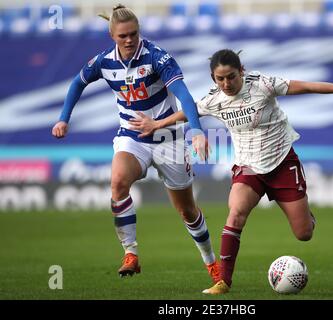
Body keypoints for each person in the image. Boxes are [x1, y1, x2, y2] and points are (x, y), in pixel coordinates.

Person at [128, 49, 333, 294]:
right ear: (213, 79)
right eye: (220, 78)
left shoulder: (263, 84)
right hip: (248, 167)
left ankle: (305, 214)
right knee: (236, 212)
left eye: (231, 77)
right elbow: (191, 110)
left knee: (304, 234)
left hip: (282, 162)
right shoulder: (214, 99)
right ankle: (223, 281)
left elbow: (306, 86)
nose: (226, 83)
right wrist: (157, 123)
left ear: (242, 71)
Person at [51, 4, 220, 283]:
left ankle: (212, 263)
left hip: (168, 138)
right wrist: (63, 118)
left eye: (133, 33)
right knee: (117, 182)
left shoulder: (157, 58)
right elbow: (77, 83)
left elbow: (185, 96)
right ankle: (131, 253)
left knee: (187, 211)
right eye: (123, 36)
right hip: (132, 138)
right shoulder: (104, 61)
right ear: (112, 36)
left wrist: (198, 131)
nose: (129, 40)